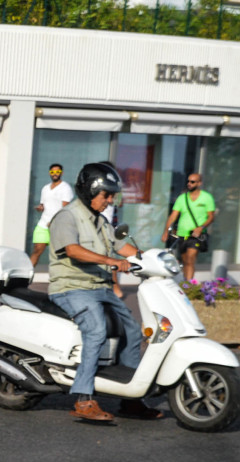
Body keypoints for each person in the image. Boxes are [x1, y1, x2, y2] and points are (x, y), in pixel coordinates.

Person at [47, 162, 160, 423]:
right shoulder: (67, 217)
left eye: (111, 195)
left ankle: (130, 400)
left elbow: (122, 247)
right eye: (106, 195)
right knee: (96, 329)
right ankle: (83, 398)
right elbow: (73, 250)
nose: (110, 201)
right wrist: (112, 263)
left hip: (100, 288)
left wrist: (154, 259)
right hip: (72, 288)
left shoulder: (101, 221)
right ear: (89, 192)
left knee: (133, 329)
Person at [163, 172, 216, 282]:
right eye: (188, 181)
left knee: (191, 258)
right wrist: (165, 232)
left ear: (199, 183)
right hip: (182, 234)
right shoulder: (182, 198)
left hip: (196, 234)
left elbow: (211, 217)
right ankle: (186, 282)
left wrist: (201, 227)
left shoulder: (206, 198)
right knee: (185, 260)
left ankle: (189, 284)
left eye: (192, 182)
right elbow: (173, 216)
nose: (189, 183)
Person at [29, 163, 74, 267]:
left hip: (57, 226)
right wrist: (40, 208)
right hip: (43, 224)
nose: (55, 174)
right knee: (36, 250)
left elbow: (65, 208)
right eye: (52, 172)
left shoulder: (65, 188)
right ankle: (27, 276)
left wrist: (54, 221)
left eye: (57, 172)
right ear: (49, 173)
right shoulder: (45, 188)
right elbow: (44, 205)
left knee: (59, 255)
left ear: (61, 173)